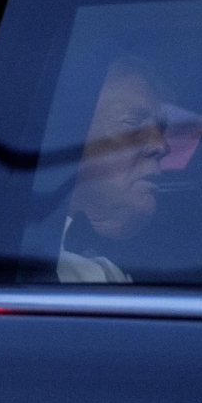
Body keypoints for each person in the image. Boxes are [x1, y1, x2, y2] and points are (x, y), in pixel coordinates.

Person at [58, 56, 171, 283]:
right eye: (133, 123)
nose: (162, 146)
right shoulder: (22, 266)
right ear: (70, 139)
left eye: (161, 129)